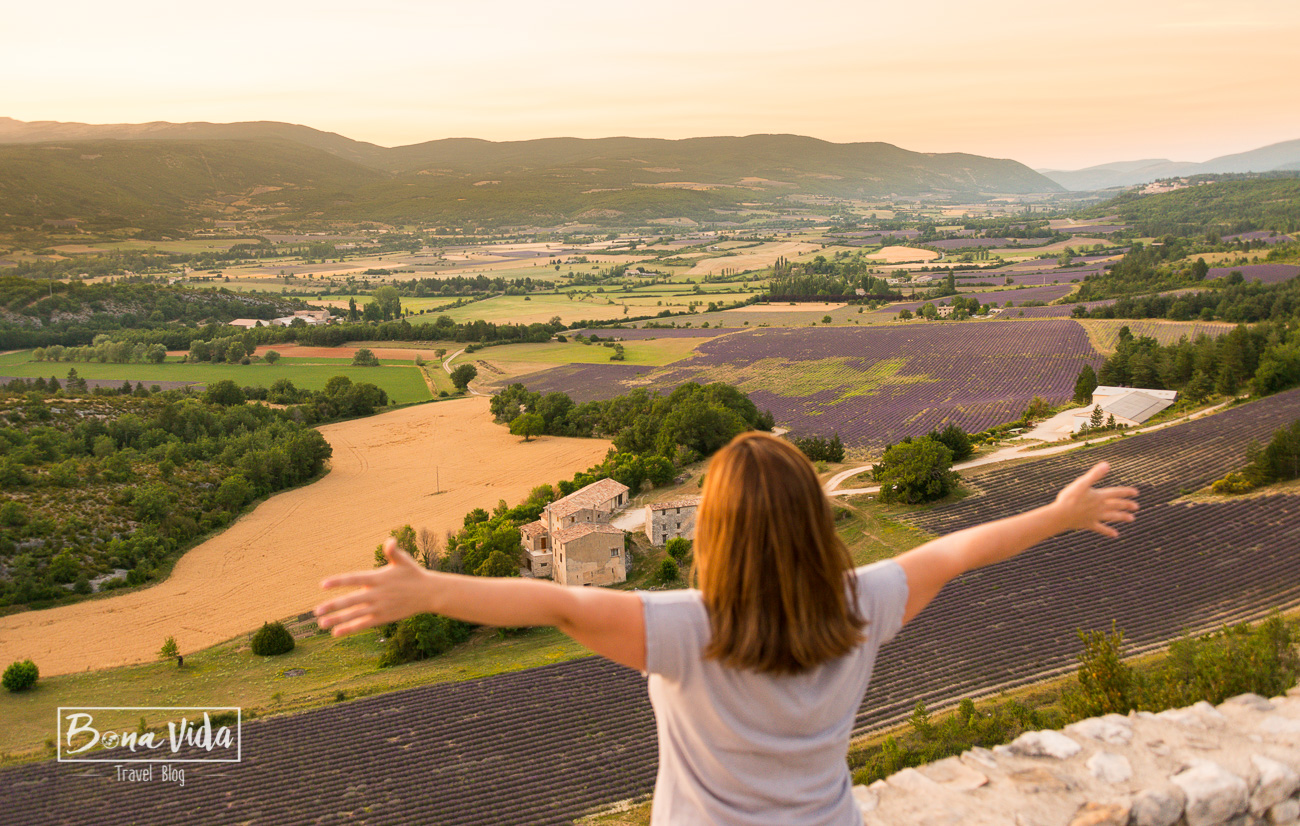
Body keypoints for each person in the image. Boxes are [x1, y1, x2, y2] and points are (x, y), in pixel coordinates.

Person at [314, 431, 1139, 825]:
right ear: (816, 522)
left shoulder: (684, 629)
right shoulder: (861, 603)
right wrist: (1061, 513)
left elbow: (554, 604)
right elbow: (959, 551)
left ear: (713, 533)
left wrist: (428, 592)